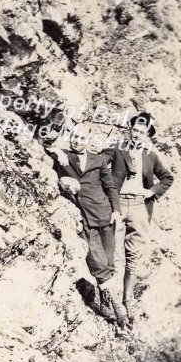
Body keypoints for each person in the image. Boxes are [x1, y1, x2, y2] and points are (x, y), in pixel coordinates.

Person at [47, 124, 128, 326]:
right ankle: (119, 308)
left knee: (109, 262)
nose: (77, 140)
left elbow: (110, 186)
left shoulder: (98, 160)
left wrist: (116, 211)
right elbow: (41, 145)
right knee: (95, 258)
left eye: (82, 137)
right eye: (74, 136)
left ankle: (106, 303)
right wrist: (56, 149)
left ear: (89, 140)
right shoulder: (63, 156)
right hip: (84, 216)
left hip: (104, 214)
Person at [101, 112, 174, 321]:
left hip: (140, 208)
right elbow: (99, 162)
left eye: (142, 132)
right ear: (129, 130)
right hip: (118, 204)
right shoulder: (117, 148)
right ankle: (108, 298)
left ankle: (127, 299)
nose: (137, 134)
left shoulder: (150, 155)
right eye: (134, 130)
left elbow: (167, 178)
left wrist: (152, 191)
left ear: (147, 135)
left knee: (134, 256)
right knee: (110, 251)